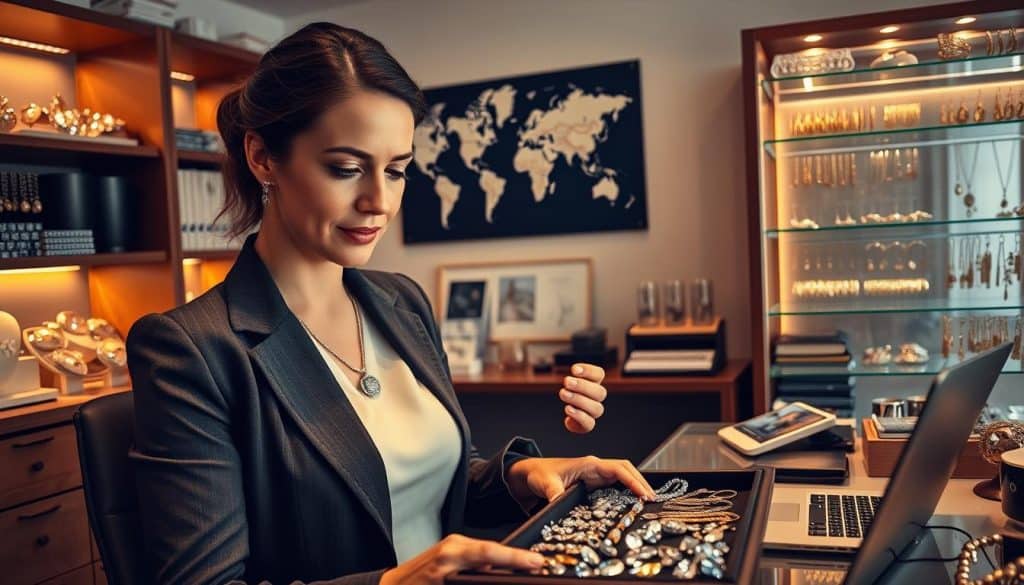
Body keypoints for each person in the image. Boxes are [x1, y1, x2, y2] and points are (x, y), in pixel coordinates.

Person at [126, 22, 654, 585]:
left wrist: (523, 474)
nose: (379, 201)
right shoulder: (192, 350)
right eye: (346, 169)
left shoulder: (402, 301)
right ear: (262, 158)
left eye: (397, 170)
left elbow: (433, 483)